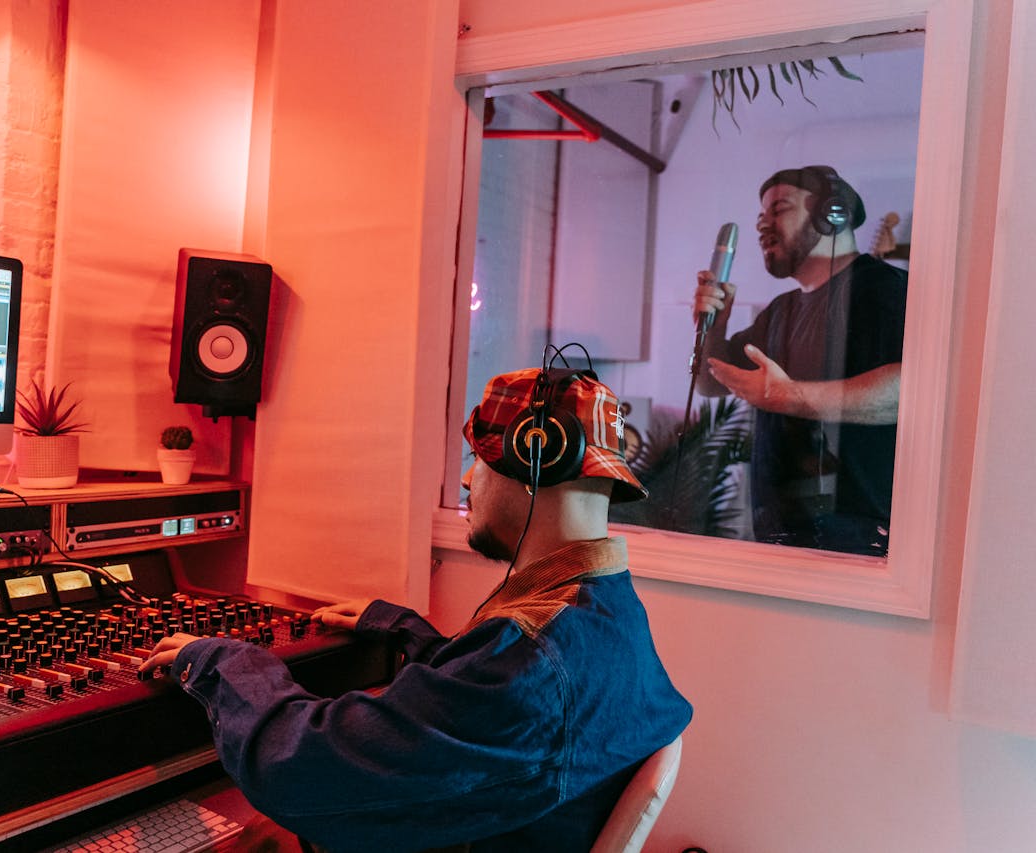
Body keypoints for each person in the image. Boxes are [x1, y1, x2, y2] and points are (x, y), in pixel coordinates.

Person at [140, 365, 692, 852]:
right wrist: (404, 628)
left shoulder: (528, 659)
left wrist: (222, 661)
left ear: (534, 461)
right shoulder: (605, 611)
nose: (468, 479)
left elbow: (300, 766)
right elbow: (494, 721)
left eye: (479, 459)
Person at [691, 165, 907, 555]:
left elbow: (908, 389)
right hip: (783, 530)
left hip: (857, 534)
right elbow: (710, 382)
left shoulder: (883, 290)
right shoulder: (781, 310)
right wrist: (714, 326)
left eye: (779, 210)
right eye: (761, 217)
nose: (762, 226)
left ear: (831, 214)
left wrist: (785, 396)